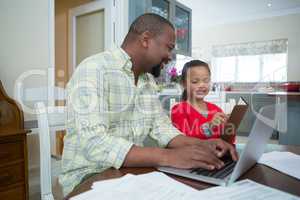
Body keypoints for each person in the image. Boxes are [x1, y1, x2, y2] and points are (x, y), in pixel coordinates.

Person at [59, 13, 238, 196]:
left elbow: (163, 129)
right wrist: (169, 157)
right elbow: (95, 143)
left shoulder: (147, 81)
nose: (169, 57)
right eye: (168, 48)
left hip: (128, 173)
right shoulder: (94, 69)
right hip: (88, 177)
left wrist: (203, 145)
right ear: (146, 39)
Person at [171, 60, 236, 144]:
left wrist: (230, 126)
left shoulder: (216, 109)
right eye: (195, 81)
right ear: (184, 84)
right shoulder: (179, 110)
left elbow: (228, 141)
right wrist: (209, 126)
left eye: (206, 81)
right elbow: (183, 141)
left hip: (217, 155)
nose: (202, 85)